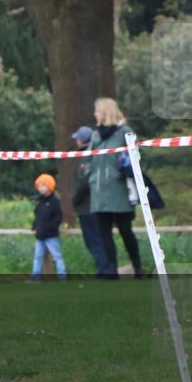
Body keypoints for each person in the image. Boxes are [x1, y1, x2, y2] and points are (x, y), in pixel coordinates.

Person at [83, 98, 144, 279]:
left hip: (120, 192)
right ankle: (111, 271)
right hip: (99, 193)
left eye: (97, 110)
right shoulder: (95, 135)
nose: (95, 114)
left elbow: (139, 156)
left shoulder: (125, 132)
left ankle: (138, 267)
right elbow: (88, 158)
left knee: (126, 231)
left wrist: (123, 170)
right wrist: (90, 174)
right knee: (104, 235)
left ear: (105, 112)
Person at [70, 126, 111, 278]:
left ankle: (104, 271)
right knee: (100, 239)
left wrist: (75, 200)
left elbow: (84, 182)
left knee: (93, 241)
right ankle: (107, 269)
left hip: (88, 207)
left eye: (77, 138)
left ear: (81, 140)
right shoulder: (97, 153)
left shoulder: (85, 157)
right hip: (97, 205)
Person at [28, 174, 67, 282]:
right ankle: (35, 277)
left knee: (57, 256)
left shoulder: (55, 201)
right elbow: (38, 216)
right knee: (37, 257)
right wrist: (34, 226)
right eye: (39, 186)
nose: (40, 188)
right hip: (40, 235)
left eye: (43, 185)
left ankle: (62, 276)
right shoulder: (40, 201)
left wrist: (49, 228)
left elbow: (58, 218)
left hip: (51, 236)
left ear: (49, 186)